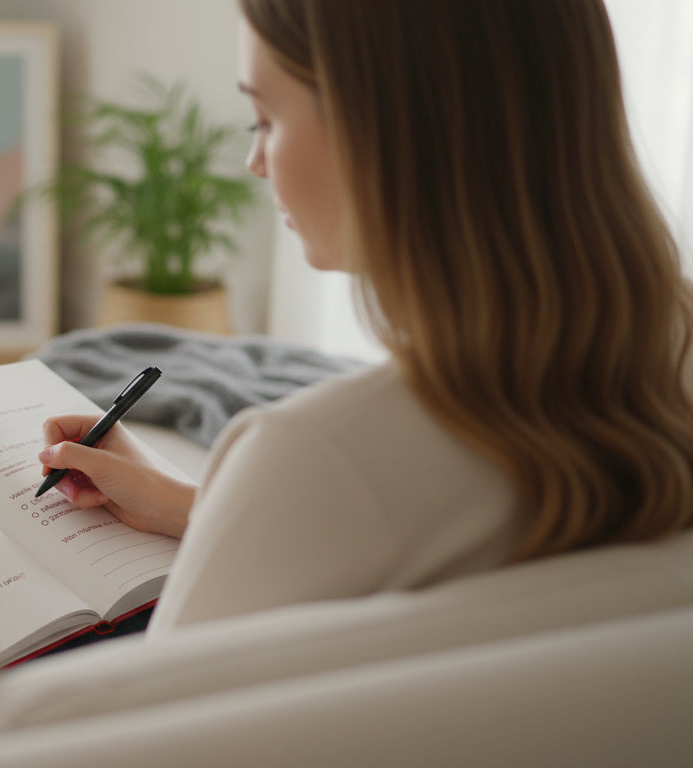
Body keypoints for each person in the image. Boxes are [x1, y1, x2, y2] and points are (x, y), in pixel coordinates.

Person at [37, 0, 693, 635]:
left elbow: (156, 730)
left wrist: (258, 496)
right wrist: (200, 508)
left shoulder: (312, 453)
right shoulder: (662, 359)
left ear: (384, 133)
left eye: (263, 120)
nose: (255, 162)